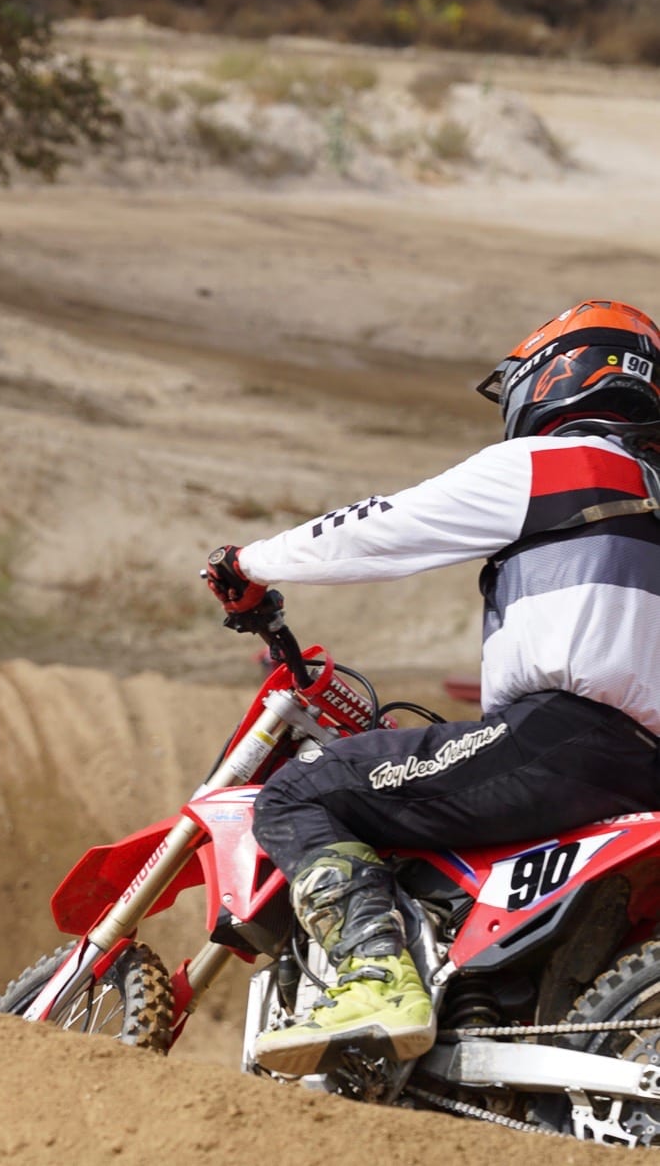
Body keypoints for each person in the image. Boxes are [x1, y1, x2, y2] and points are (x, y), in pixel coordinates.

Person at [204, 299, 660, 1077]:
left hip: (564, 740)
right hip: (634, 763)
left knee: (299, 795)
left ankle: (375, 977)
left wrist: (250, 565)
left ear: (560, 373)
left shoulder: (560, 462)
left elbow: (384, 525)